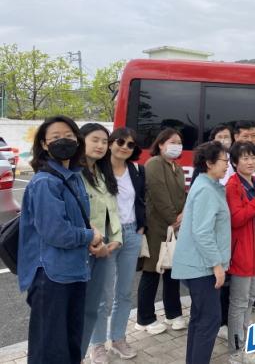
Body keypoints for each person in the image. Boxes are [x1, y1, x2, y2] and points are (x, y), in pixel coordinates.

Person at [18, 116, 103, 363]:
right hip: (52, 276)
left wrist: (88, 234)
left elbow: (76, 220)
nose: (63, 141)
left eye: (68, 136)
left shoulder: (73, 176)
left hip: (74, 270)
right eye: (55, 138)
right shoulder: (45, 182)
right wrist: (90, 235)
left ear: (77, 140)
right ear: (44, 145)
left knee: (69, 343)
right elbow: (56, 233)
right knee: (50, 349)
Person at [172, 141, 231, 364]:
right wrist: (216, 265)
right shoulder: (206, 189)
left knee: (199, 319)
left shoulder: (207, 184)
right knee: (209, 320)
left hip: (198, 264)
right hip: (202, 266)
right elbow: (203, 232)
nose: (227, 165)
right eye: (224, 160)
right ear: (209, 163)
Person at [91, 127, 146, 360]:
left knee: (124, 293)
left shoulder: (136, 170)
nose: (125, 147)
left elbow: (141, 199)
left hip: (132, 233)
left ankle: (118, 338)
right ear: (111, 143)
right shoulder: (97, 170)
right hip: (106, 237)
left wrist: (141, 226)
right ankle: (97, 344)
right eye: (120, 142)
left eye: (130, 144)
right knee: (102, 296)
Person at [136, 128, 187, 335]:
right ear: (160, 144)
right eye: (172, 142)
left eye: (179, 142)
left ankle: (173, 313)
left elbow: (181, 195)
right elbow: (159, 196)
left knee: (172, 271)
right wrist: (174, 219)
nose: (177, 146)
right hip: (157, 227)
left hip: (173, 227)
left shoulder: (176, 167)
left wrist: (182, 215)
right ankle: (145, 318)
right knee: (152, 272)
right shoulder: (154, 164)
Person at [79, 123, 123, 363]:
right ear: (81, 140)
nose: (100, 145)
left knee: (102, 301)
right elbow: (77, 214)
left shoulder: (103, 172)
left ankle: (94, 345)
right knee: (79, 304)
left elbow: (112, 211)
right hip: (84, 248)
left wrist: (115, 240)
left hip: (105, 249)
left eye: (104, 141)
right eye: (95, 140)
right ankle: (80, 350)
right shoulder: (74, 173)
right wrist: (94, 241)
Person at [225, 142, 255, 362]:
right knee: (239, 302)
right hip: (242, 252)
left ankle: (243, 344)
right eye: (245, 158)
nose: (251, 161)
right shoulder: (233, 186)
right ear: (235, 162)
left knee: (251, 297)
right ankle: (235, 353)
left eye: (253, 157)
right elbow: (236, 219)